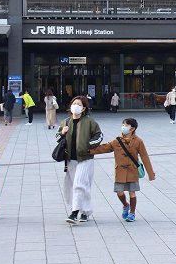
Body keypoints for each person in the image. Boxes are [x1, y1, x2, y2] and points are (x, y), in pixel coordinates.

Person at [90, 118, 156, 222]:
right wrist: (88, 150)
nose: (123, 127)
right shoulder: (117, 141)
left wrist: (151, 174)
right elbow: (104, 148)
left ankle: (132, 213)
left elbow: (144, 156)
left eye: (126, 125)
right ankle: (125, 205)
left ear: (132, 128)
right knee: (119, 192)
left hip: (132, 171)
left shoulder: (138, 141)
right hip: (120, 171)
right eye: (123, 124)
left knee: (132, 192)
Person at [57, 96, 103, 224]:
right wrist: (62, 133)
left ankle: (74, 212)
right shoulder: (66, 122)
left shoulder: (90, 122)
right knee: (73, 186)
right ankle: (86, 211)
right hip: (70, 159)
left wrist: (88, 146)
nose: (75, 106)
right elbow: (57, 137)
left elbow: (99, 136)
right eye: (73, 103)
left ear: (83, 108)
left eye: (78, 104)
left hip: (85, 159)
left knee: (79, 184)